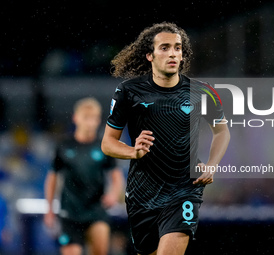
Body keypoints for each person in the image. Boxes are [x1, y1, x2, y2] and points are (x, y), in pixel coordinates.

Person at [101, 22, 230, 255]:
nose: (173, 53)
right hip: (142, 194)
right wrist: (133, 151)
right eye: (165, 47)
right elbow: (108, 143)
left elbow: (222, 131)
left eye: (178, 48)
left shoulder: (203, 92)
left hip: (184, 190)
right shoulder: (128, 92)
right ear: (149, 55)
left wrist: (212, 165)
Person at [44, 97, 124, 255]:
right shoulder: (64, 146)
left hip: (96, 210)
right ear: (76, 118)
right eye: (86, 117)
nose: (90, 122)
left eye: (94, 118)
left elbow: (116, 175)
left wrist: (114, 194)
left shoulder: (104, 147)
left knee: (100, 251)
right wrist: (50, 209)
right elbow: (52, 177)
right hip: (70, 212)